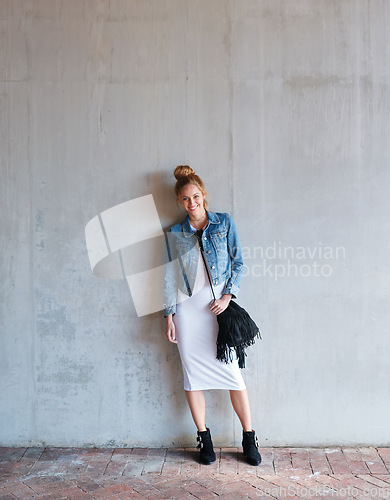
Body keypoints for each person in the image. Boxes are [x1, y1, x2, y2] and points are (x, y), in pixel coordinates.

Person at [163, 165, 261, 466]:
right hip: (187, 311)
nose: (191, 203)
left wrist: (228, 295)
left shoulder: (224, 223)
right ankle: (204, 438)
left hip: (217, 308)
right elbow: (168, 277)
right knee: (193, 377)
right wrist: (169, 315)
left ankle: (248, 437)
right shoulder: (175, 233)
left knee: (232, 374)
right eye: (185, 199)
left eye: (195, 196)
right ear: (180, 202)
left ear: (203, 195)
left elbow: (238, 263)